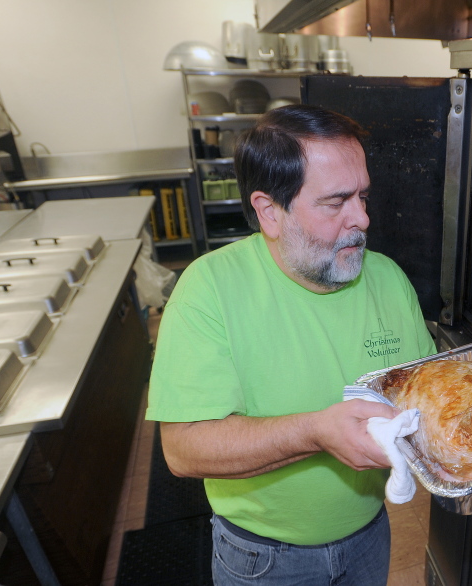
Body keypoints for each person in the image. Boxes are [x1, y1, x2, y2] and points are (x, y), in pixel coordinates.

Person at [146, 104, 436, 585]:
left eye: (363, 196)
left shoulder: (386, 277)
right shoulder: (209, 289)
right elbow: (183, 450)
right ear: (269, 212)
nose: (361, 218)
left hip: (371, 533)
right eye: (335, 202)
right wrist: (314, 432)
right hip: (264, 559)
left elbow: (425, 391)